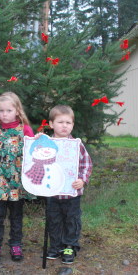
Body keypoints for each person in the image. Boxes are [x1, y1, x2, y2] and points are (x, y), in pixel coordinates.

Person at [0, 92, 35, 262]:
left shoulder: (25, 129)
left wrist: (34, 177)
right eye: (0, 111)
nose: (4, 114)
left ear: (17, 111)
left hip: (18, 180)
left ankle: (16, 244)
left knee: (16, 214)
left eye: (8, 110)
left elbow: (34, 153)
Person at [45, 105, 92, 264]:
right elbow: (38, 163)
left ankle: (69, 246)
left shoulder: (76, 144)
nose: (64, 126)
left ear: (72, 125)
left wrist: (82, 180)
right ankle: (56, 246)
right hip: (53, 192)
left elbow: (86, 164)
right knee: (54, 220)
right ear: (51, 124)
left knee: (72, 221)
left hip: (72, 192)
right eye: (60, 122)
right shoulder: (47, 144)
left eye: (68, 122)